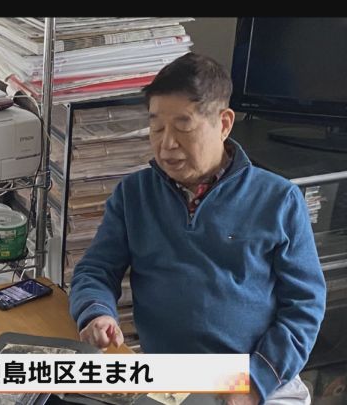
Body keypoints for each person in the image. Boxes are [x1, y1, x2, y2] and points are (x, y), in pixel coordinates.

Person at [68, 53, 326, 405]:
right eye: (157, 128)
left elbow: (305, 306)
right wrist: (96, 312)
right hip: (169, 378)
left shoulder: (279, 199)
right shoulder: (134, 194)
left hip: (258, 375)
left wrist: (254, 383)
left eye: (183, 127)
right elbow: (97, 269)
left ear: (224, 123)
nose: (167, 144)